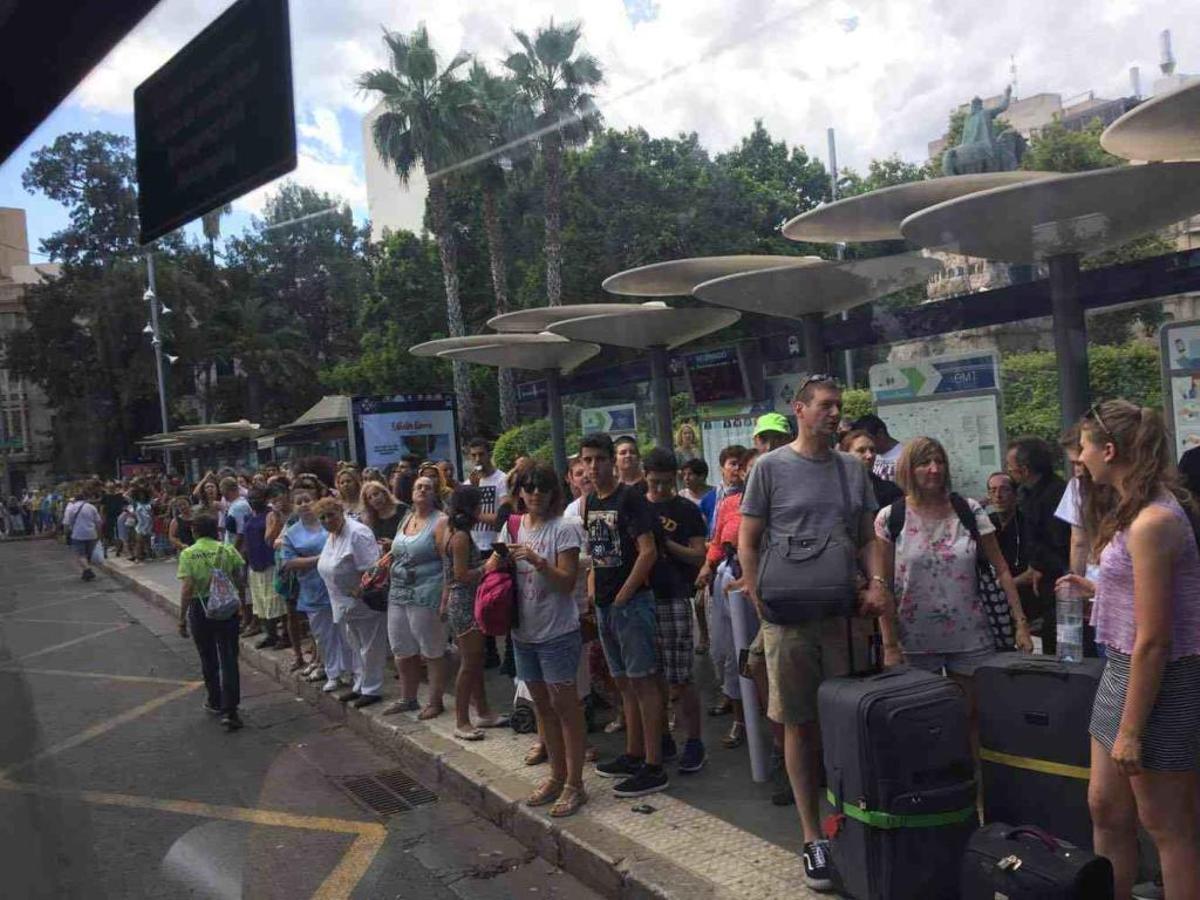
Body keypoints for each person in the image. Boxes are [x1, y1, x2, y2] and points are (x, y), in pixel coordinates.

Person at [737, 376, 891, 891]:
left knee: (845, 723)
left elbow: (868, 537)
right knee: (799, 724)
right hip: (789, 621)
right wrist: (762, 600)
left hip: (841, 617)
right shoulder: (770, 469)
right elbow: (749, 540)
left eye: (838, 407)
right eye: (824, 405)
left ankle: (848, 821)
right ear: (799, 410)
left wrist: (877, 582)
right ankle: (812, 837)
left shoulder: (851, 469)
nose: (833, 413)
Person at [1065, 400, 1200, 900]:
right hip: (1123, 669)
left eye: (1083, 446)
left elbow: (1157, 638)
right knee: (1106, 807)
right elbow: (1147, 598)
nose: (1080, 457)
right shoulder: (1132, 507)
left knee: (1167, 825)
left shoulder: (1153, 520)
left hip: (1160, 680)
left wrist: (1131, 731)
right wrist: (1101, 591)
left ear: (1110, 449)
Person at [876, 438, 1032, 749]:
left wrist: (1021, 623)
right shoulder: (890, 519)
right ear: (909, 468)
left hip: (971, 635)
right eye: (924, 462)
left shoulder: (969, 511)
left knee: (973, 717)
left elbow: (1001, 569)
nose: (934, 469)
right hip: (914, 639)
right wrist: (889, 643)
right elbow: (882, 585)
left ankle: (977, 789)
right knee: (923, 722)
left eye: (939, 461)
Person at [581, 433, 667, 797]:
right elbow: (596, 555)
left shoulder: (630, 498)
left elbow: (647, 552)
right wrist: (594, 595)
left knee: (644, 682)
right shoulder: (587, 502)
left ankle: (654, 763)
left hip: (631, 605)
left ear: (611, 462)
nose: (595, 466)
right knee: (624, 683)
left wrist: (623, 595)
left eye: (601, 459)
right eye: (589, 459)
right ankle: (634, 752)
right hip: (604, 604)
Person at [507, 463, 588, 816]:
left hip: (557, 632)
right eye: (529, 487)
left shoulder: (565, 528)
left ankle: (575, 783)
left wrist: (538, 561)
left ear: (555, 492)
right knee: (541, 706)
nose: (535, 493)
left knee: (566, 707)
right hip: (523, 632)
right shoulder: (514, 526)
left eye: (542, 487)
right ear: (520, 492)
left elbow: (567, 582)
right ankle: (556, 776)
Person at [643, 448, 708, 774]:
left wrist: (665, 545)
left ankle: (694, 740)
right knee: (650, 677)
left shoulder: (685, 509)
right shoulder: (637, 505)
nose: (658, 490)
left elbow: (698, 555)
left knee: (680, 676)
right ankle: (662, 736)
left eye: (665, 484)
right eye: (654, 483)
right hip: (643, 598)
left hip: (674, 596)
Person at [436, 485, 504, 739]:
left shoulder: (450, 530)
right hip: (465, 602)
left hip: (458, 601)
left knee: (473, 661)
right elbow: (461, 575)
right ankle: (462, 720)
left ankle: (483, 711)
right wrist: (489, 566)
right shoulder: (462, 536)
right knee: (470, 662)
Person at [384, 475, 448, 718]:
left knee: (432, 650)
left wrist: (446, 595)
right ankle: (408, 698)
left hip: (426, 592)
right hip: (399, 592)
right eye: (418, 486)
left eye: (427, 487)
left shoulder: (441, 522)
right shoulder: (406, 518)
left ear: (435, 493)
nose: (422, 490)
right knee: (402, 649)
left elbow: (447, 561)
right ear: (411, 492)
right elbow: (398, 550)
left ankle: (435, 701)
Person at [176, 512, 246, 731]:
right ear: (216, 530)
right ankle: (230, 709)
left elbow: (187, 588)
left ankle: (214, 700)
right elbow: (239, 579)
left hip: (201, 607)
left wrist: (181, 618)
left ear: (194, 531)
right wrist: (241, 604)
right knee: (229, 658)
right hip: (226, 606)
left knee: (208, 657)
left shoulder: (189, 553)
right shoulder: (227, 549)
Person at [314, 496, 386, 709]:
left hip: (362, 601)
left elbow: (372, 568)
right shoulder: (332, 536)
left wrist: (361, 590)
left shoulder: (357, 533)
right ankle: (360, 684)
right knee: (355, 646)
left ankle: (372, 688)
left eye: (331, 515)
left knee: (370, 646)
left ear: (340, 512)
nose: (327, 520)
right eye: (322, 518)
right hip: (340, 601)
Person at [281, 486, 353, 693]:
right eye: (299, 501)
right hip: (313, 589)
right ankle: (332, 673)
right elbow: (288, 562)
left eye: (307, 499)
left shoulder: (330, 522)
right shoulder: (292, 533)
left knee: (346, 632)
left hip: (339, 586)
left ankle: (350, 670)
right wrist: (320, 559)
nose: (304, 504)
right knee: (323, 635)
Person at [1007, 436, 1071, 654]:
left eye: (1011, 468)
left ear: (1024, 470)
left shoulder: (1055, 494)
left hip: (1058, 579)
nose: (1009, 473)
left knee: (1060, 641)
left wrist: (1040, 565)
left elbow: (1059, 541)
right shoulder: (1027, 493)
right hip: (1042, 576)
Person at [242, 487, 288, 651]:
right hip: (254, 564)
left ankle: (286, 635)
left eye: (257, 497)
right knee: (260, 600)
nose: (254, 501)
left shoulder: (271, 514)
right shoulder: (249, 516)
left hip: (270, 562)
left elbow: (274, 537)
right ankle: (271, 634)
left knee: (276, 600)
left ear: (265, 498)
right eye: (251, 498)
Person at [466, 438, 510, 556]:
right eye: (473, 455)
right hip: (474, 545)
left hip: (494, 544)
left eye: (481, 454)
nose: (478, 459)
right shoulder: (469, 482)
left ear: (489, 455)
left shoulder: (502, 480)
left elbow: (502, 517)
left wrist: (473, 514)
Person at [840, 428, 904, 509]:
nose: (869, 455)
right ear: (845, 454)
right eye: (861, 451)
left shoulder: (891, 490)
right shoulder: (834, 488)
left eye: (872, 450)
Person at [63, 489, 103, 581]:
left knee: (81, 555)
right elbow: (98, 522)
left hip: (78, 534)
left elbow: (66, 523)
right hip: (91, 534)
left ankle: (88, 570)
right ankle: (86, 573)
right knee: (88, 555)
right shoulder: (91, 507)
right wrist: (99, 534)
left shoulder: (71, 508)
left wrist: (65, 534)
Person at [854, 413, 903, 483]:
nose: (865, 443)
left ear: (880, 433)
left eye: (869, 438)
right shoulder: (872, 456)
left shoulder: (904, 457)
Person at [361, 481, 405, 547]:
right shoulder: (372, 519)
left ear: (384, 493)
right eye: (370, 498)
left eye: (376, 494)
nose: (374, 499)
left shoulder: (402, 509)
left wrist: (393, 544)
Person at [679, 458, 716, 526]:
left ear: (702, 476)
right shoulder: (682, 496)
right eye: (684, 474)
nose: (686, 478)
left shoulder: (715, 494)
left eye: (690, 474)